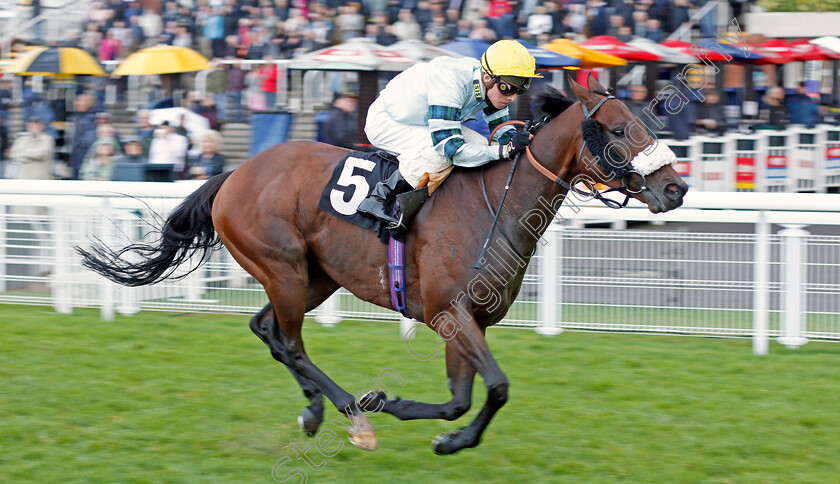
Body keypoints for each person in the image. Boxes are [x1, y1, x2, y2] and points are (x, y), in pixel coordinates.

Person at [357, 40, 538, 227]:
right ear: (487, 78)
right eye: (508, 89)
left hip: (417, 121)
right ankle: (380, 197)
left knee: (481, 144)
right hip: (387, 122)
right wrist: (504, 151)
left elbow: (503, 131)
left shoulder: (491, 82)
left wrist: (522, 140)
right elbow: (451, 148)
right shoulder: (451, 81)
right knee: (442, 152)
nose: (513, 97)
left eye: (520, 90)